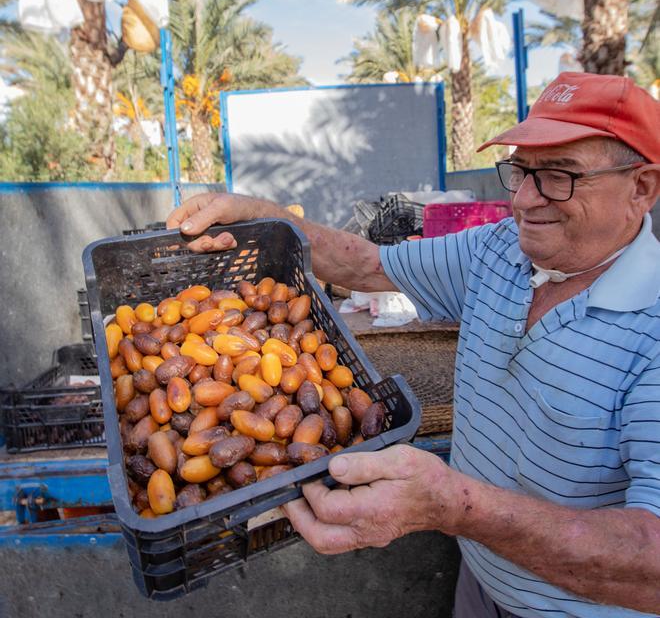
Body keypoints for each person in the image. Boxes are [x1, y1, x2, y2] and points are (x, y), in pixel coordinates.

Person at [166, 72, 660, 618]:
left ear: (641, 187)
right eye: (520, 171)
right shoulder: (498, 251)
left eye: (559, 176)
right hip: (481, 583)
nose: (523, 199)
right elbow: (366, 263)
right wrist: (261, 214)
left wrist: (457, 507)